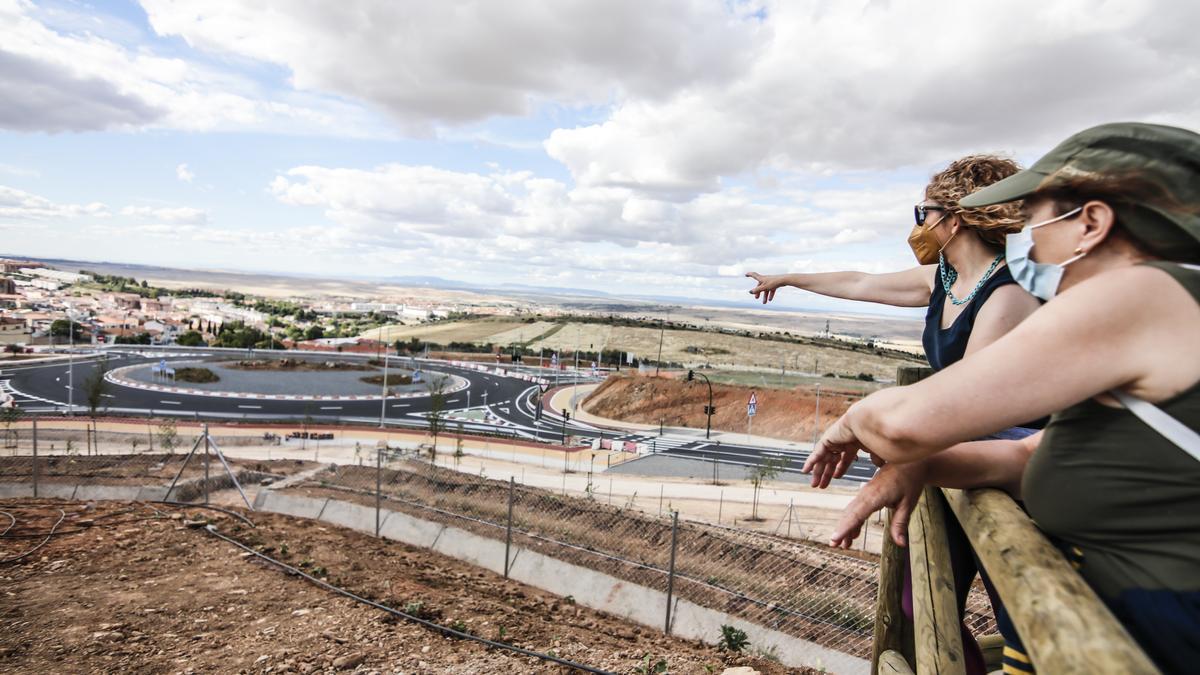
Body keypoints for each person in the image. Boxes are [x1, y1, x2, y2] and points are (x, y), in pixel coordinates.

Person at [805, 122, 1200, 674]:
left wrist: (854, 420)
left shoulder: (1142, 293)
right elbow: (1033, 454)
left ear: (1091, 222)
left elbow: (908, 424)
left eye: (1035, 219)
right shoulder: (1150, 331)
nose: (1026, 242)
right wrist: (923, 467)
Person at [747, 154, 1042, 375]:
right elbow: (859, 283)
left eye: (924, 213)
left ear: (954, 220)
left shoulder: (1008, 294)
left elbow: (971, 394)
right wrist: (787, 279)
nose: (920, 224)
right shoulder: (943, 280)